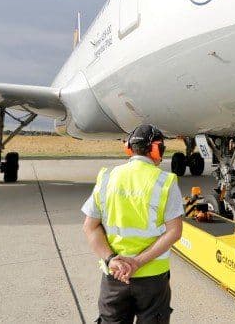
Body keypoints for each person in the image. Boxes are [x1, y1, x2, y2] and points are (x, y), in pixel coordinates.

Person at [82, 124, 184, 323]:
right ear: (156, 149)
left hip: (114, 274)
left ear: (129, 148)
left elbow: (90, 226)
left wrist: (111, 259)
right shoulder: (165, 181)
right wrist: (137, 262)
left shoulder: (107, 177)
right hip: (153, 276)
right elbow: (175, 232)